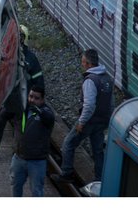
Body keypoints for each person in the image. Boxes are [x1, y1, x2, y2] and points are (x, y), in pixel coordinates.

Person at [0, 26, 45, 162]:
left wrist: (36, 102)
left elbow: (39, 82)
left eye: (19, 37)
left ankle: (16, 157)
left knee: (20, 130)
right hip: (7, 100)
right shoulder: (8, 55)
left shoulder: (30, 59)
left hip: (23, 103)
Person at [53, 49, 114, 184]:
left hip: (89, 121)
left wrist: (82, 121)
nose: (82, 64)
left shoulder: (90, 80)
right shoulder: (107, 79)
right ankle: (100, 179)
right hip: (102, 120)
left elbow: (89, 105)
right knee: (98, 150)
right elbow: (111, 102)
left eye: (83, 61)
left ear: (88, 63)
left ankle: (66, 173)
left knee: (68, 144)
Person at [10, 86, 55, 197]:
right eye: (30, 96)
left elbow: (49, 118)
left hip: (37, 162)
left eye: (36, 98)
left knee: (36, 192)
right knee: (15, 186)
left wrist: (39, 112)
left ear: (43, 100)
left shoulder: (46, 112)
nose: (32, 100)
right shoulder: (23, 108)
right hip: (18, 158)